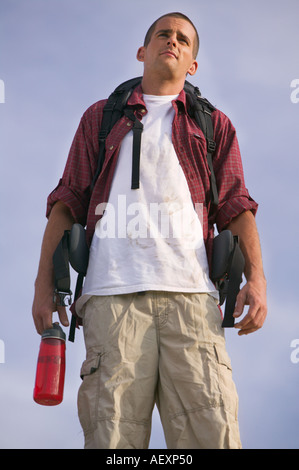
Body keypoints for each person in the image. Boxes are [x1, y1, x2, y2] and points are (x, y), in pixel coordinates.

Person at [32, 12, 267, 449]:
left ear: (192, 63)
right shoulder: (101, 118)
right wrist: (44, 283)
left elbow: (236, 206)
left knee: (213, 435)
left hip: (193, 300)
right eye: (164, 34)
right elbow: (67, 203)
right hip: (110, 300)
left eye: (183, 39)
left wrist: (257, 278)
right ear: (143, 51)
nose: (173, 42)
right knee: (112, 442)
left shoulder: (213, 125)